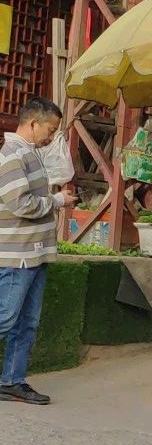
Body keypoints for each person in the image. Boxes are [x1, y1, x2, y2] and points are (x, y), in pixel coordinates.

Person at [0, 97, 77, 406]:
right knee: (6, 317)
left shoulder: (31, 154)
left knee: (26, 322)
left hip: (35, 253)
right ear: (33, 124)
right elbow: (19, 203)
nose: (52, 136)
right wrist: (56, 202)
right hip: (17, 255)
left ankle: (12, 381)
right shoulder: (11, 155)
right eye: (51, 129)